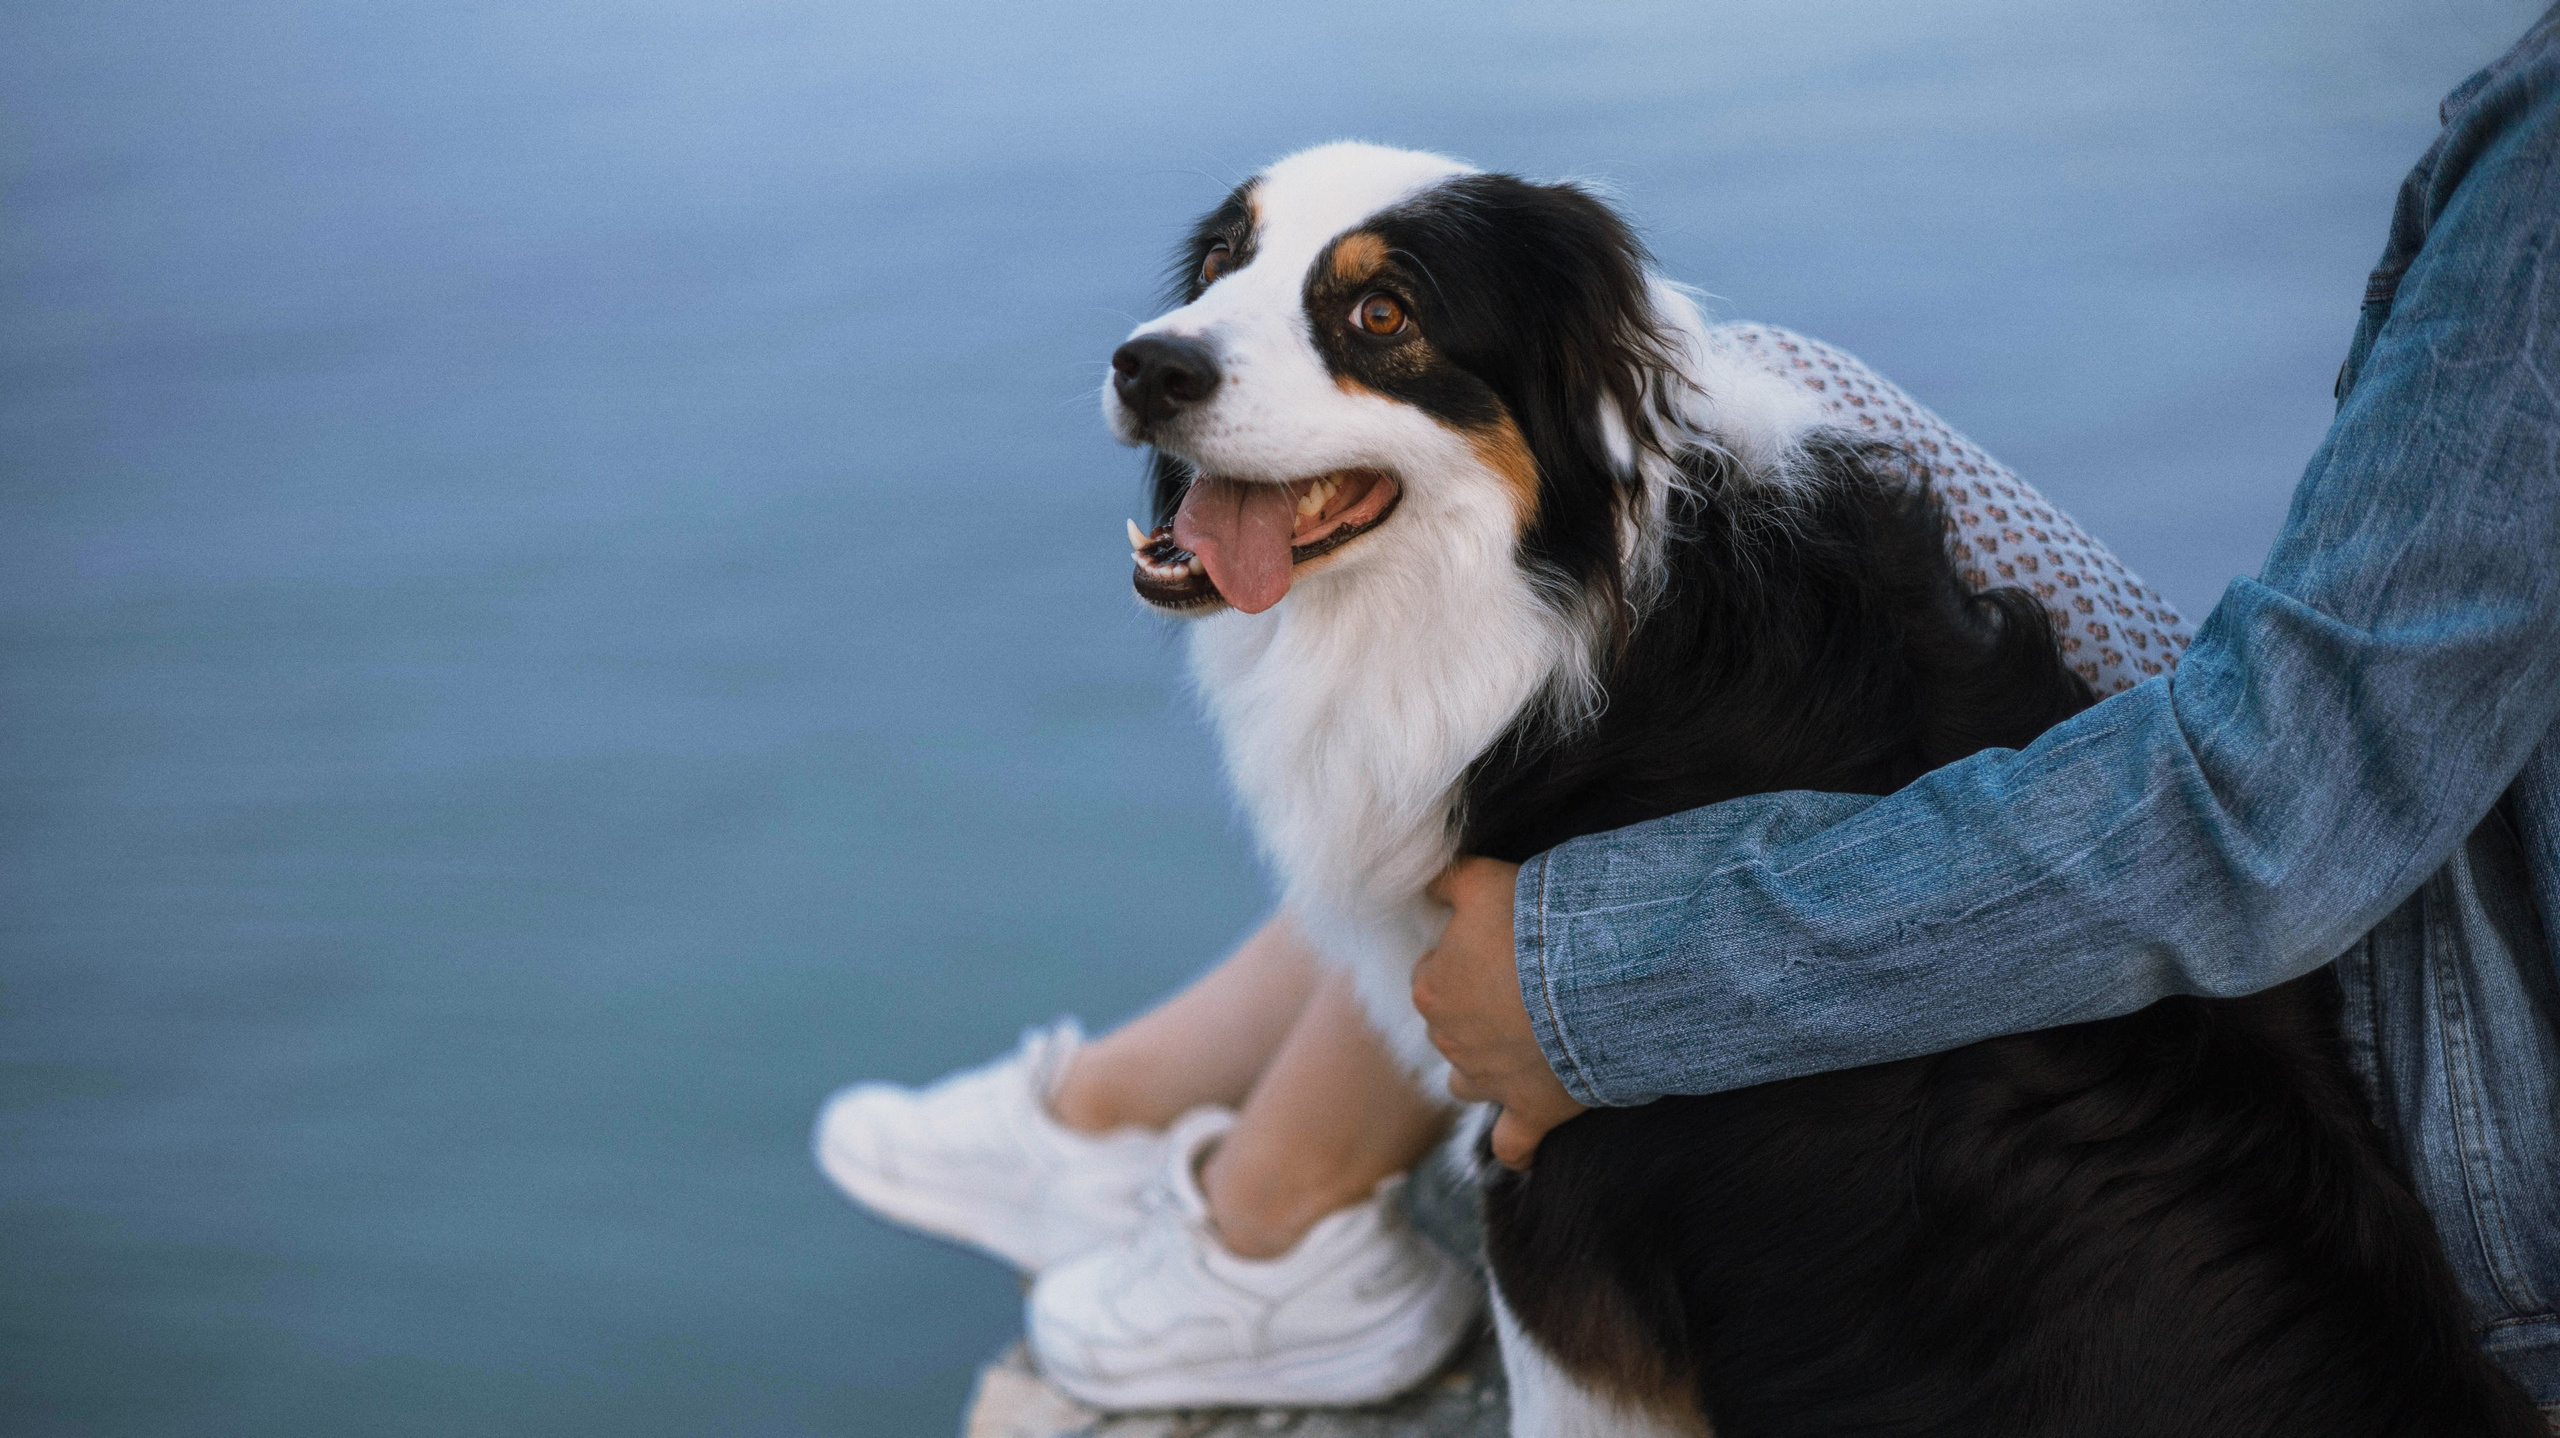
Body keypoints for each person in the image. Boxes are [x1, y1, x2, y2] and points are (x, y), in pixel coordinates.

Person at [820, 6, 2560, 1417]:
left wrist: (1593, 976)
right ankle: (1131, 1121)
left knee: (1625, 612)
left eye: (1372, 314)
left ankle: (1259, 1228)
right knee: (1746, 425)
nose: (1178, 326)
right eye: (1228, 263)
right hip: (2438, 917)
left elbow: (2276, 807)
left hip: (2463, 1133)